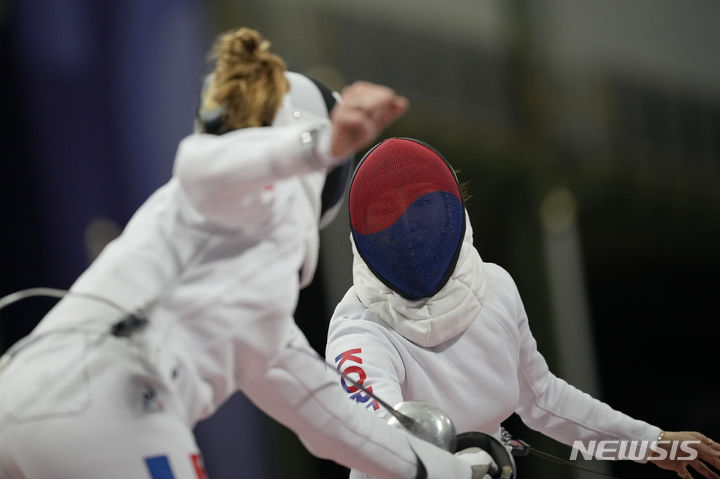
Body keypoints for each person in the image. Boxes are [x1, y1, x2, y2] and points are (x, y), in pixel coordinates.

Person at [0, 29, 490, 479]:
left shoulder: (264, 311)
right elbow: (201, 163)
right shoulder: (221, 198)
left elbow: (332, 421)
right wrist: (323, 145)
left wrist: (450, 471)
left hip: (19, 399)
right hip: (113, 408)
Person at [325, 137, 720, 479]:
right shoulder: (359, 330)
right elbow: (377, 437)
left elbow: (542, 399)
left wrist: (650, 443)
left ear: (451, 205)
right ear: (362, 230)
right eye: (385, 211)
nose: (408, 225)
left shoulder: (494, 288)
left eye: (421, 204)